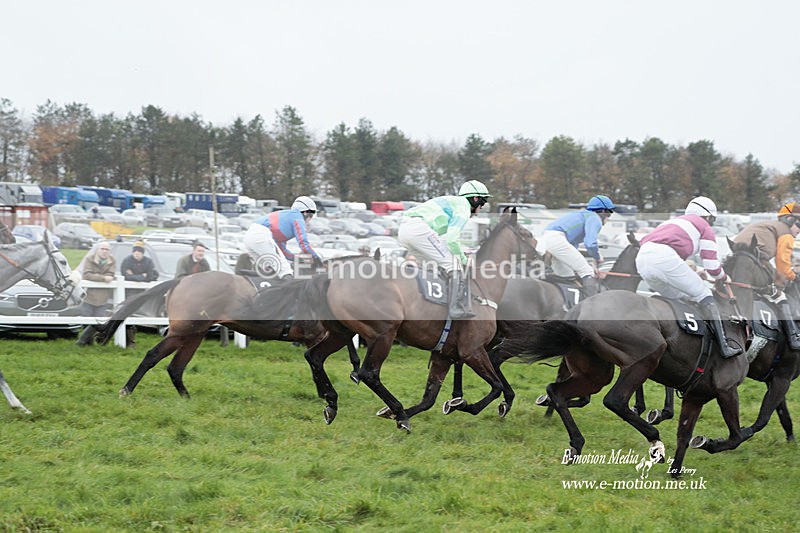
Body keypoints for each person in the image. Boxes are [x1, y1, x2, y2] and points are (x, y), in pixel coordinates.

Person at [636, 196, 741, 358]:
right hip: (664, 258)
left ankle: (677, 343)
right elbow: (712, 267)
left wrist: (692, 273)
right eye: (712, 219)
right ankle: (724, 346)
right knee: (704, 294)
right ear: (706, 216)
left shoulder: (672, 222)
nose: (711, 223)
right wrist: (724, 277)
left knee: (681, 298)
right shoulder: (704, 226)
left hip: (642, 261)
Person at [397, 179, 491, 319]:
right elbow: (452, 239)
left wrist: (459, 252)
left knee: (434, 267)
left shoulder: (455, 203)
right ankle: (455, 308)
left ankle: (433, 303)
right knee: (454, 265)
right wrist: (464, 260)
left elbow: (446, 240)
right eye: (483, 202)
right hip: (418, 229)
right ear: (475, 198)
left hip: (405, 231)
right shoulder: (463, 208)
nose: (482, 206)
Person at [732, 202, 800, 349]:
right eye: (799, 224)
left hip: (733, 260)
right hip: (753, 260)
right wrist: (794, 277)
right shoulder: (786, 233)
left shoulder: (768, 225)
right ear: (789, 219)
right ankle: (794, 335)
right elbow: (782, 265)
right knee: (779, 294)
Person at [540, 195, 616, 297]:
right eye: (609, 214)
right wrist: (598, 257)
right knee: (587, 272)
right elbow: (590, 243)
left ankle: (565, 304)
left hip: (548, 239)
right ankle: (590, 304)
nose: (608, 218)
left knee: (568, 275)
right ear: (602, 211)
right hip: (556, 239)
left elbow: (572, 252)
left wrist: (586, 264)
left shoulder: (583, 215)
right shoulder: (594, 217)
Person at [243, 196, 323, 279]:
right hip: (260, 236)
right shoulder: (298, 217)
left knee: (269, 270)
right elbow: (303, 243)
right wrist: (316, 258)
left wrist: (297, 259)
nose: (310, 219)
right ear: (305, 212)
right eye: (311, 215)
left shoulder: (286, 218)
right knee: (285, 270)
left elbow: (282, 251)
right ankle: (291, 291)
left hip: (249, 236)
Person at [75, 242, 116, 346]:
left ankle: (83, 342)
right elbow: (87, 275)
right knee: (86, 320)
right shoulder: (89, 259)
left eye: (107, 249)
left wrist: (99, 276)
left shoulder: (112, 261)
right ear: (97, 250)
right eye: (102, 249)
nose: (104, 251)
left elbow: (111, 275)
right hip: (88, 295)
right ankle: (85, 343)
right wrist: (103, 278)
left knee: (99, 322)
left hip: (103, 297)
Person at [120, 241, 159, 347]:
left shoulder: (148, 261)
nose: (137, 253)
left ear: (143, 253)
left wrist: (134, 276)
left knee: (135, 316)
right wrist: (142, 276)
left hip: (141, 294)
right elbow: (125, 275)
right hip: (128, 294)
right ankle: (129, 342)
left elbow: (151, 276)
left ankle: (130, 341)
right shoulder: (127, 260)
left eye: (139, 251)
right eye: (135, 251)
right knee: (128, 315)